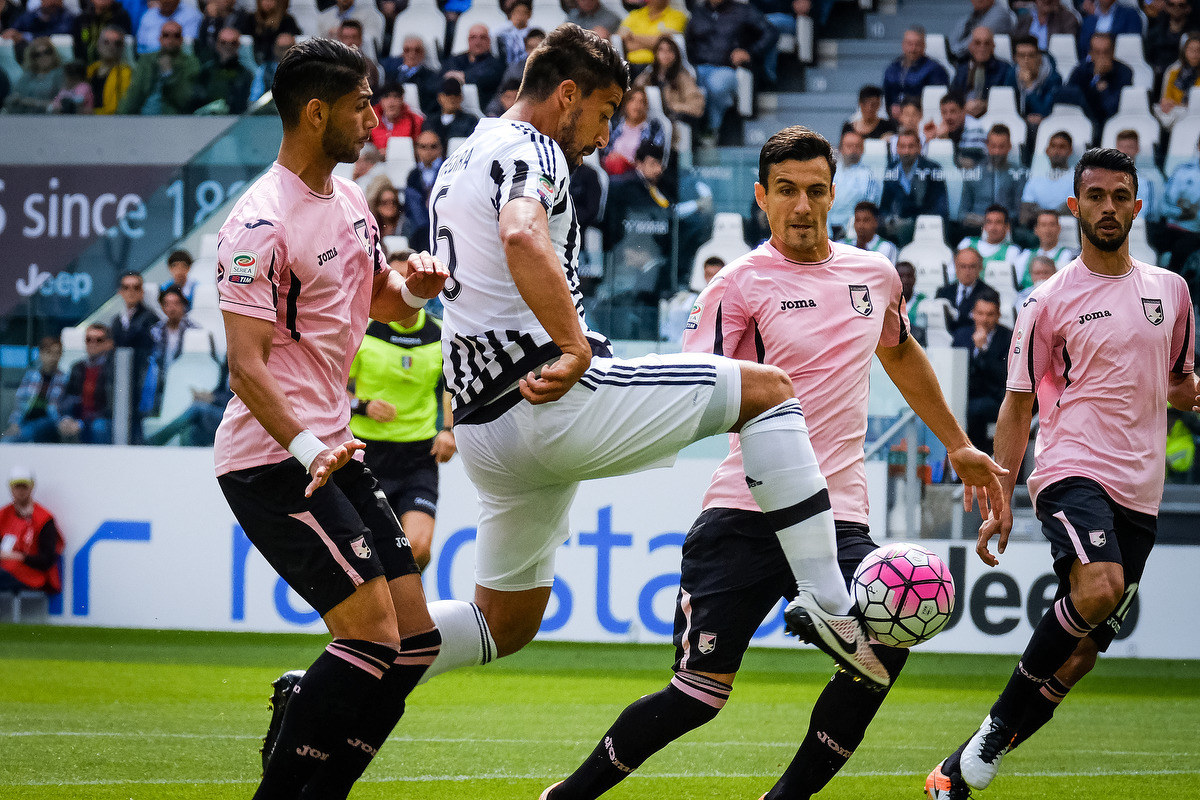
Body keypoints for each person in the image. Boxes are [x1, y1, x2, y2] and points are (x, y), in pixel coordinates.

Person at [419, 24, 896, 693]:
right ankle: (830, 600)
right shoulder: (535, 149)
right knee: (768, 390)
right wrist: (575, 345)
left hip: (480, 425)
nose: (606, 133)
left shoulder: (459, 159)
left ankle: (344, 675)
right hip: (545, 399)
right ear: (565, 96)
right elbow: (523, 234)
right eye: (605, 112)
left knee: (504, 619)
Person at [543, 125, 1003, 800]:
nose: (802, 205)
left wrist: (957, 442)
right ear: (761, 196)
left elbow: (899, 353)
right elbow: (696, 387)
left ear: (833, 194)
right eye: (786, 190)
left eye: (816, 190)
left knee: (885, 646)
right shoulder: (738, 286)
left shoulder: (873, 276)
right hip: (744, 511)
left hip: (838, 513)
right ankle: (569, 796)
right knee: (697, 695)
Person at [214, 37, 448, 800]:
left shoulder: (349, 201)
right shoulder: (256, 224)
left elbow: (374, 297)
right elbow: (245, 366)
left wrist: (413, 290)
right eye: (360, 105)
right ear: (316, 112)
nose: (376, 119)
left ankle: (319, 769)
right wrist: (309, 444)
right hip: (271, 457)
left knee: (414, 644)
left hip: (331, 452)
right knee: (370, 636)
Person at [926, 147, 1198, 800]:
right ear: (1074, 208)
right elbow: (1018, 404)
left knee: (1078, 657)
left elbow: (1177, 387)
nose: (1108, 207)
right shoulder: (1046, 301)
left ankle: (956, 771)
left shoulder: (1172, 292)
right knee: (1099, 587)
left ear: (1137, 205)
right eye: (1095, 196)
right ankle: (994, 731)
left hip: (1142, 490)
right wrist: (1000, 493)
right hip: (1071, 469)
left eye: (1120, 195)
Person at [348, 256, 455, 571]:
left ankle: (399, 614)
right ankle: (386, 618)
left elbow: (450, 387)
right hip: (367, 454)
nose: (399, 290)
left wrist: (448, 430)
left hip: (417, 457)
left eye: (406, 281)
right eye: (392, 282)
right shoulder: (364, 331)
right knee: (368, 554)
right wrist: (364, 406)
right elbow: (336, 390)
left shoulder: (440, 334)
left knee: (418, 550)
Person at [685, 0, 777, 138]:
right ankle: (692, 136)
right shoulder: (698, 12)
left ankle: (711, 129)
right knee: (684, 85)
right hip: (697, 67)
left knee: (716, 85)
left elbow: (770, 32)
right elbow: (687, 42)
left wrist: (750, 52)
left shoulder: (743, 10)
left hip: (726, 68)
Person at [951, 289, 1011, 452]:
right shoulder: (962, 335)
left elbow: (1002, 375)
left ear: (998, 315)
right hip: (965, 395)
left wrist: (983, 351)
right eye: (980, 313)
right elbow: (956, 370)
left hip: (993, 397)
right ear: (973, 314)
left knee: (975, 410)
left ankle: (972, 458)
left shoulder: (1007, 338)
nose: (984, 319)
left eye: (990, 314)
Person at [0, 467, 65, 599]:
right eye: (17, 487)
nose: (21, 491)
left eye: (24, 487)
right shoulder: (3, 515)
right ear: (11, 488)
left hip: (33, 575)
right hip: (6, 570)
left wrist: (17, 556)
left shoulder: (44, 519)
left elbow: (47, 559)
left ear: (32, 487)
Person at [880, 130, 949, 245]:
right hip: (896, 225)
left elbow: (940, 206)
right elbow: (885, 205)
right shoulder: (891, 169)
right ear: (897, 149)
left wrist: (911, 221)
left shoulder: (932, 169)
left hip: (925, 226)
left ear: (919, 148)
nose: (906, 151)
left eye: (910, 147)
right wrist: (888, 219)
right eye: (902, 147)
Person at [118, 20, 201, 114]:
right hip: (143, 118)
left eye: (176, 35)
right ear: (160, 38)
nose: (171, 39)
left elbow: (184, 100)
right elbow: (134, 93)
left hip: (175, 119)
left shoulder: (190, 63)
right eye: (166, 35)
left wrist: (168, 75)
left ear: (181, 40)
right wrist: (120, 118)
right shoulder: (146, 60)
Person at [632, 34, 705, 132]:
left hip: (672, 121)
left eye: (670, 50)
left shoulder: (683, 77)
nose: (665, 54)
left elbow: (696, 105)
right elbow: (633, 97)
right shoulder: (647, 76)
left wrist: (675, 107)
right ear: (656, 53)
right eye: (661, 50)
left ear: (676, 54)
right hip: (646, 119)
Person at [959, 124, 1026, 230]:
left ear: (1009, 147)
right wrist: (984, 222)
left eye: (1001, 147)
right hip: (976, 228)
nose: (997, 152)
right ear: (987, 146)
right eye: (993, 146)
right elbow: (962, 212)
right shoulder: (973, 172)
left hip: (1007, 228)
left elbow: (1019, 212)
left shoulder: (1018, 173)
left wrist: (997, 223)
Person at [59, 322, 115, 445]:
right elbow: (67, 397)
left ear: (108, 344)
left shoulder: (113, 369)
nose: (92, 344)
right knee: (54, 424)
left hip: (101, 420)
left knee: (99, 427)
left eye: (98, 340)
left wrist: (83, 423)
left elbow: (111, 407)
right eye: (88, 339)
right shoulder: (77, 367)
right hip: (78, 419)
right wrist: (67, 417)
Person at [3, 336, 66, 444]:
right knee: (8, 439)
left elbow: (59, 408)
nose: (53, 357)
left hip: (50, 421)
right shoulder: (31, 376)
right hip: (27, 420)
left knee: (28, 432)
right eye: (49, 352)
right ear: (41, 354)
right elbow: (20, 403)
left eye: (57, 353)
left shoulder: (64, 378)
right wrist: (15, 423)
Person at [1065, 33, 1133, 126]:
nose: (1102, 57)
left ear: (1113, 52)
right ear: (1091, 54)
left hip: (1110, 122)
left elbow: (1113, 108)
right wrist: (1096, 77)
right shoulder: (1081, 70)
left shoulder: (1124, 72)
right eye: (1097, 52)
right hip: (1082, 121)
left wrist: (1103, 89)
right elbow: (1070, 99)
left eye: (1106, 52)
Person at [883, 25, 949, 119]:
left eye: (917, 44)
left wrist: (907, 110)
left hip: (922, 118)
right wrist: (892, 107)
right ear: (903, 45)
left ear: (924, 46)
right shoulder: (892, 68)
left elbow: (935, 100)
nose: (913, 49)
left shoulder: (935, 70)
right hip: (894, 119)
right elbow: (887, 95)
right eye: (909, 44)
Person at [950, 26, 1016, 118]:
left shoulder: (1005, 69)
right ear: (970, 46)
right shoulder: (962, 69)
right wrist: (963, 105)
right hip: (964, 115)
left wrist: (986, 104)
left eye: (987, 43)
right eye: (977, 43)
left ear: (993, 46)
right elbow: (953, 95)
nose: (982, 47)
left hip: (993, 115)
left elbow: (1008, 99)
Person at [601, 85, 667, 175]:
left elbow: (654, 157)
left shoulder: (654, 128)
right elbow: (604, 152)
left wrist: (625, 162)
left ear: (646, 106)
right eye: (632, 100)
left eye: (641, 101)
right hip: (611, 173)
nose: (637, 105)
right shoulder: (615, 126)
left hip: (637, 175)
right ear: (626, 104)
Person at [828, 129, 882, 238]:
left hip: (853, 231)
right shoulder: (831, 172)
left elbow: (868, 208)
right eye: (849, 146)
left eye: (857, 146)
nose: (853, 150)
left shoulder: (868, 176)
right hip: (827, 227)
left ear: (862, 149)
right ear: (841, 148)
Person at [443, 23, 504, 110]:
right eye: (473, 37)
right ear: (468, 40)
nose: (477, 42)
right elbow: (442, 77)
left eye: (482, 37)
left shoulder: (496, 64)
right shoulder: (455, 59)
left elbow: (483, 80)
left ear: (489, 41)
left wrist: (462, 76)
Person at [936, 247, 996, 335]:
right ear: (956, 267)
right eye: (963, 266)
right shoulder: (943, 292)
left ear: (980, 268)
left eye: (972, 266)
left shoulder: (989, 293)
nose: (967, 271)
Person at [1020, 130, 1075, 225]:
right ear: (1047, 150)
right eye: (1053, 146)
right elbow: (1024, 214)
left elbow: (1072, 210)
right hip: (1037, 232)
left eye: (1062, 147)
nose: (1056, 151)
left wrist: (1039, 212)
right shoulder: (1035, 179)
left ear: (1070, 151)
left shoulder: (1077, 178)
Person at [196, 25, 252, 114]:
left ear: (238, 45)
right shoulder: (206, 72)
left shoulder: (246, 74)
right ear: (217, 44)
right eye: (223, 42)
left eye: (233, 43)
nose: (228, 46)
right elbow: (197, 99)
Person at [618, 0, 688, 72]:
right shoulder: (634, 15)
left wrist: (632, 36)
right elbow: (620, 39)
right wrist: (653, 42)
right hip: (630, 65)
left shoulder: (677, 16)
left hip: (659, 67)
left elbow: (664, 43)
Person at [925, 90, 986, 168]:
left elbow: (969, 165)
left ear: (963, 112)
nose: (948, 117)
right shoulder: (941, 129)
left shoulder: (975, 128)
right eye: (944, 112)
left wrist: (945, 141)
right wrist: (930, 141)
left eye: (953, 111)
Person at [381, 34, 440, 115]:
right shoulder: (391, 75)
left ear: (423, 53)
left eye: (417, 50)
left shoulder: (432, 77)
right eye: (407, 50)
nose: (412, 54)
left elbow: (431, 104)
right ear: (402, 53)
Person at [1012, 34, 1061, 131]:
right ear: (1015, 58)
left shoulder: (1053, 78)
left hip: (1045, 126)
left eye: (1031, 55)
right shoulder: (1012, 73)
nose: (1026, 60)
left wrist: (1029, 86)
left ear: (1039, 56)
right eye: (1022, 56)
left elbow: (1045, 111)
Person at [4, 36, 62, 113]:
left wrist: (32, 102)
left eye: (47, 52)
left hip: (50, 119)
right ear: (32, 57)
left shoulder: (60, 74)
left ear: (53, 53)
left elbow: (60, 103)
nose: (43, 57)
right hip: (24, 118)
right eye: (37, 54)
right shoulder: (27, 75)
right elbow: (13, 98)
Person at [1015, 210, 1076, 282]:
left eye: (1052, 225)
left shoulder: (1068, 255)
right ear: (1036, 230)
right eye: (1043, 225)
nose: (1047, 230)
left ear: (1059, 228)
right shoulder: (1025, 255)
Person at [1156, 33, 1200, 129]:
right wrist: (1167, 103)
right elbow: (1165, 98)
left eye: (1198, 50)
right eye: (1191, 50)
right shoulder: (1173, 71)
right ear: (1184, 51)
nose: (1195, 54)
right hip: (1174, 112)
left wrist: (1179, 105)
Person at [86, 24, 132, 114]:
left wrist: (92, 113)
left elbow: (119, 108)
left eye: (117, 43)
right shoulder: (90, 70)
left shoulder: (126, 73)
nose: (111, 46)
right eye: (106, 42)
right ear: (98, 45)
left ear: (123, 47)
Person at [950, 0, 1015, 61]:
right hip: (969, 61)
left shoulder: (1000, 14)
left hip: (992, 66)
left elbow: (973, 42)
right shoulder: (973, 14)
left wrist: (952, 52)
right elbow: (953, 40)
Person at [72, 0, 132, 66]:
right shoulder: (82, 19)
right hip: (86, 66)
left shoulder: (121, 17)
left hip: (113, 67)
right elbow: (78, 44)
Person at [241, 0, 300, 66]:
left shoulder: (287, 20)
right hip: (254, 61)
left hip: (278, 62)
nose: (267, 2)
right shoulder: (251, 19)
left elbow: (296, 36)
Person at [317, 0, 384, 59]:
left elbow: (371, 42)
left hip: (362, 58)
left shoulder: (371, 16)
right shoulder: (324, 17)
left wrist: (345, 32)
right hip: (331, 58)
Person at [369, 81, 423, 151]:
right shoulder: (370, 121)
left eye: (395, 96)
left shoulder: (415, 121)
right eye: (386, 96)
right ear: (381, 100)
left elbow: (420, 148)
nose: (391, 102)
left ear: (402, 99)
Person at [1078, 0, 1142, 59]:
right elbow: (1083, 49)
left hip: (1120, 62)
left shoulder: (1130, 15)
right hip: (1091, 64)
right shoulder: (1089, 20)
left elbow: (1131, 45)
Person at [424, 75, 479, 144]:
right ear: (440, 97)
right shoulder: (430, 122)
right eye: (448, 94)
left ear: (461, 97)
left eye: (456, 94)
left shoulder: (470, 121)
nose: (452, 98)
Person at [134, 0, 201, 55]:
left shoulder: (192, 15)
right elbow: (140, 46)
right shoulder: (148, 15)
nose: (167, 1)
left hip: (179, 61)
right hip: (148, 62)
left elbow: (188, 47)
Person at [1013, 0, 1078, 51]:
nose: (1046, 0)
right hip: (1026, 59)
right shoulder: (1025, 20)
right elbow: (1016, 44)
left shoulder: (1067, 19)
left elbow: (1066, 48)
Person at [249, 30, 294, 103]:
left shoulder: (303, 69)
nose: (286, 51)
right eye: (282, 48)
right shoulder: (264, 70)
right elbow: (255, 99)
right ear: (275, 49)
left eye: (289, 47)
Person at [493, 0, 531, 65]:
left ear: (529, 14)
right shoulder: (502, 33)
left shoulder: (533, 32)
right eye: (517, 12)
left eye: (523, 12)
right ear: (512, 14)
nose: (520, 16)